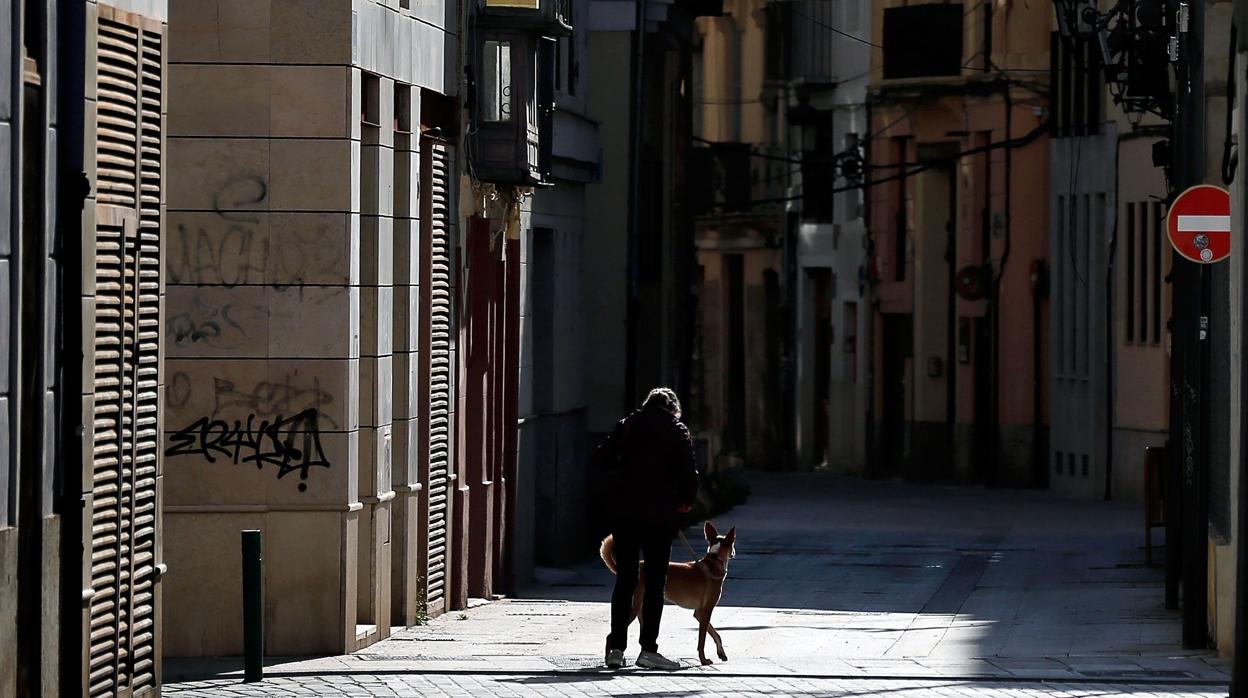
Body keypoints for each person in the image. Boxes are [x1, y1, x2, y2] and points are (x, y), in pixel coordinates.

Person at [595, 387, 699, 670]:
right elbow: (689, 473)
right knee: (655, 583)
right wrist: (685, 502)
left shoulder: (628, 424)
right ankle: (648, 651)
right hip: (660, 516)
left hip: (625, 513)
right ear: (672, 408)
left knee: (626, 580)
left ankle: (616, 649)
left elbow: (601, 458)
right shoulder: (677, 429)